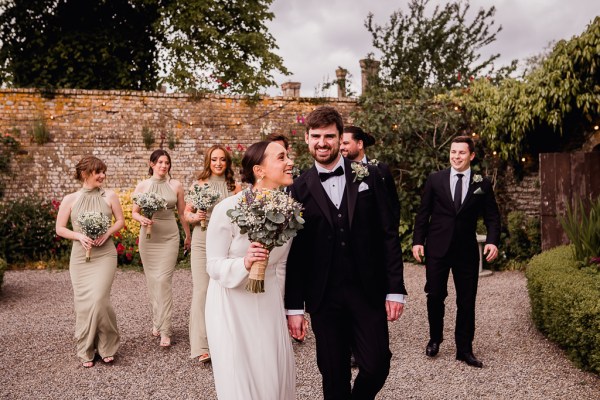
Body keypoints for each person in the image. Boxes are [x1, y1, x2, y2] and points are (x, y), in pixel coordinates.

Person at [285, 106, 406, 400]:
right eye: (316, 136)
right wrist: (294, 307)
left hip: (367, 289)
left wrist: (395, 289)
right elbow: (295, 254)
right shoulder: (296, 189)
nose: (322, 143)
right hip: (324, 296)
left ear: (341, 139)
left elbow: (388, 234)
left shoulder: (370, 176)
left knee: (377, 364)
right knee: (332, 370)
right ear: (306, 138)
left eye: (329, 136)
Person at [205, 141, 296, 399]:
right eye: (281, 157)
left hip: (268, 304)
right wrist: (244, 263)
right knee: (239, 379)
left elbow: (282, 266)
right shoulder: (227, 209)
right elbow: (212, 264)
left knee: (272, 375)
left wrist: (288, 309)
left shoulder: (288, 211)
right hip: (231, 305)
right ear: (260, 169)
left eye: (288, 156)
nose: (289, 162)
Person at [412, 135, 501, 368]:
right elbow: (424, 214)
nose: (456, 157)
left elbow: (492, 216)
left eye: (461, 153)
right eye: (453, 152)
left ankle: (464, 349)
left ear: (471, 156)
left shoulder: (482, 183)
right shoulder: (435, 179)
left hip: (466, 251)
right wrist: (417, 241)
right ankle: (435, 339)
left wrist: (492, 241)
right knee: (435, 296)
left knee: (467, 300)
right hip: (437, 249)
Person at [55, 155, 125, 368]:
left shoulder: (109, 196)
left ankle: (107, 346)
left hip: (105, 254)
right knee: (84, 304)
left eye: (104, 171)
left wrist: (107, 233)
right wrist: (79, 236)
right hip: (80, 257)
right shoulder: (70, 199)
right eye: (98, 172)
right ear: (85, 174)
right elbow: (60, 228)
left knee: (99, 299)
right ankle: (86, 348)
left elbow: (120, 221)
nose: (102, 176)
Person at [185, 145, 241, 363]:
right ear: (208, 162)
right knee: (202, 290)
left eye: (222, 160)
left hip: (228, 245)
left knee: (227, 290)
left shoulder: (235, 188)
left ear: (227, 163)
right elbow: (186, 214)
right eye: (214, 159)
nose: (218, 163)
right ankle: (201, 345)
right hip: (201, 241)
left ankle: (226, 340)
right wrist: (196, 216)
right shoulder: (199, 185)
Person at [132, 149, 191, 348]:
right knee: (153, 281)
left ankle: (166, 329)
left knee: (163, 280)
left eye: (167, 162)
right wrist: (142, 218)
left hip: (169, 237)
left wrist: (188, 235)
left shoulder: (175, 185)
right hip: (148, 239)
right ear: (152, 164)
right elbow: (134, 213)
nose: (164, 166)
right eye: (160, 162)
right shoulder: (143, 186)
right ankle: (157, 320)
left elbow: (182, 213)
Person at [341, 125, 401, 230]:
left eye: (345, 143)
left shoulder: (380, 169)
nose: (341, 147)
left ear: (360, 144)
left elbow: (392, 206)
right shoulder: (337, 171)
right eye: (340, 144)